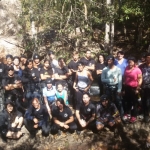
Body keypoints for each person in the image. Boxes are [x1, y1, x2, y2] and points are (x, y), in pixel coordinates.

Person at [123, 57, 142, 123]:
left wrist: (138, 88)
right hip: (127, 87)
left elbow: (140, 79)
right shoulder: (126, 68)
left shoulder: (137, 70)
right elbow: (125, 77)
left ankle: (134, 116)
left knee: (135, 102)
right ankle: (128, 114)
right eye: (129, 62)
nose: (130, 63)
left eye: (131, 62)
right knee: (127, 101)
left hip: (134, 88)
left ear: (134, 62)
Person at [139, 53, 150, 123]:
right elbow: (138, 76)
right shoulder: (141, 66)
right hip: (142, 86)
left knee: (148, 101)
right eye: (147, 57)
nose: (148, 59)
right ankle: (142, 112)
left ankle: (146, 114)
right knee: (142, 100)